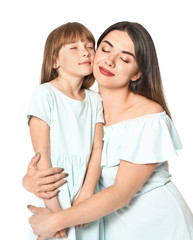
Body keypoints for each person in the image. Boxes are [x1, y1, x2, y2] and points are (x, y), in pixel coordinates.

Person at [24, 21, 193, 240]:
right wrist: (30, 180)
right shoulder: (85, 107)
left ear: (137, 73)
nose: (110, 61)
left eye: (124, 59)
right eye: (104, 49)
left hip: (159, 226)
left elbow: (122, 193)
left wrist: (55, 222)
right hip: (109, 229)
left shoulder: (147, 116)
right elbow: (63, 160)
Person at [26, 22, 104, 240]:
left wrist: (86, 196)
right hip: (55, 190)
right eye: (74, 48)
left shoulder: (95, 99)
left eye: (90, 46)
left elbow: (98, 149)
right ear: (54, 61)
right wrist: (57, 214)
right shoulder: (45, 94)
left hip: (86, 189)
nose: (86, 52)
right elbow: (42, 157)